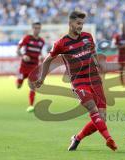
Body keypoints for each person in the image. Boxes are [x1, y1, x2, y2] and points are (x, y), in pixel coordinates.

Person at [32, 11, 117, 151]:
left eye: (82, 24)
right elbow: (47, 61)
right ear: (70, 24)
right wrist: (41, 78)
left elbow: (93, 52)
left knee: (101, 118)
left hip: (94, 80)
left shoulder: (88, 37)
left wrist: (98, 63)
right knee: (92, 108)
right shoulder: (61, 43)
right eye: (78, 23)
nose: (81, 26)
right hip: (79, 82)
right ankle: (109, 139)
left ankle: (77, 138)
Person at [16, 21, 45, 112]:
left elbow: (40, 52)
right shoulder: (27, 38)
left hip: (33, 67)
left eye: (38, 28)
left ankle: (31, 105)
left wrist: (41, 56)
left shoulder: (41, 41)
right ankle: (19, 80)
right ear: (32, 29)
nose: (37, 30)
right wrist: (23, 56)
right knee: (19, 85)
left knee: (33, 86)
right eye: (35, 28)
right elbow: (18, 50)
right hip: (24, 67)